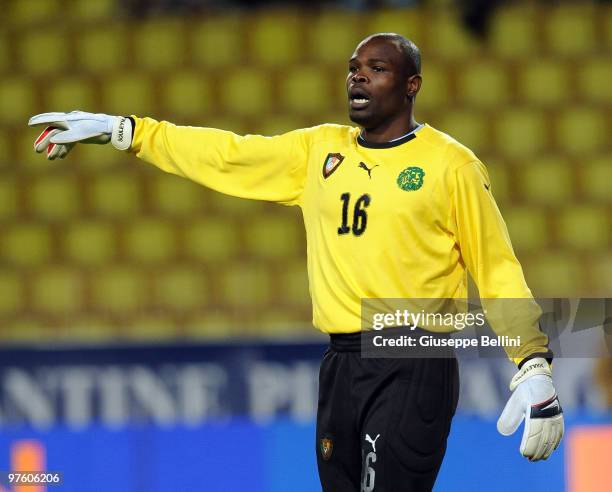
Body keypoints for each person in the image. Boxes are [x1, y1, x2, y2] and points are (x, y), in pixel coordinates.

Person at [29, 33, 563, 492]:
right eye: (353, 69)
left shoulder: (452, 166)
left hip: (413, 356)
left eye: (376, 69)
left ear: (411, 85)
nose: (358, 79)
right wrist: (130, 132)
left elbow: (496, 267)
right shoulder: (318, 153)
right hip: (340, 363)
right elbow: (227, 154)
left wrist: (532, 363)